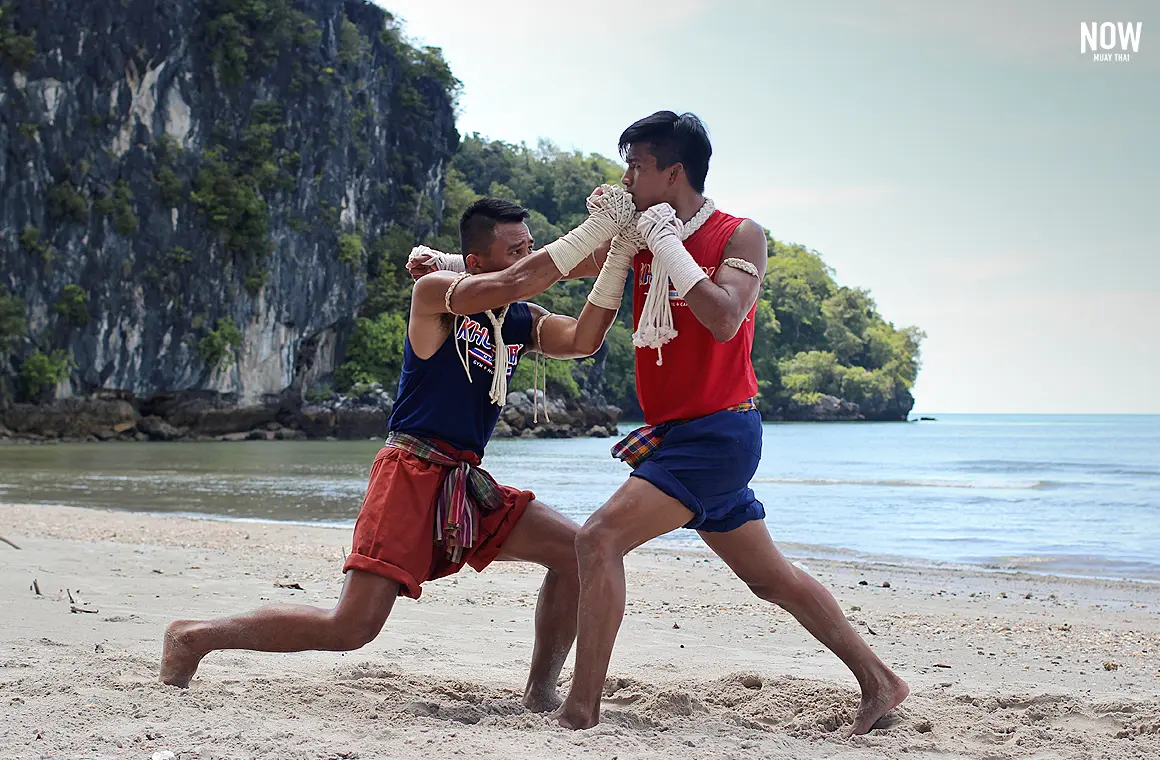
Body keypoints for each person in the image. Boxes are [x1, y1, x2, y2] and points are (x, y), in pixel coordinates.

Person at [159, 195, 635, 711]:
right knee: (350, 628)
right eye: (515, 247)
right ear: (475, 262)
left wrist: (622, 252)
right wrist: (600, 232)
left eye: (530, 245)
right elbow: (516, 280)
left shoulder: (521, 319)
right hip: (409, 469)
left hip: (464, 479)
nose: (527, 254)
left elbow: (583, 338)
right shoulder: (434, 292)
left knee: (578, 554)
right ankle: (194, 636)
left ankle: (540, 693)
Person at [551, 111, 910, 735]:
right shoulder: (638, 234)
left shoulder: (738, 234)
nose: (627, 179)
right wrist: (457, 263)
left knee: (597, 538)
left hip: (718, 434)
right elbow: (560, 264)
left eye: (636, 167)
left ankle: (580, 709)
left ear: (674, 172)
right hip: (680, 433)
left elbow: (724, 318)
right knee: (771, 578)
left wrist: (669, 246)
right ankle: (881, 682)